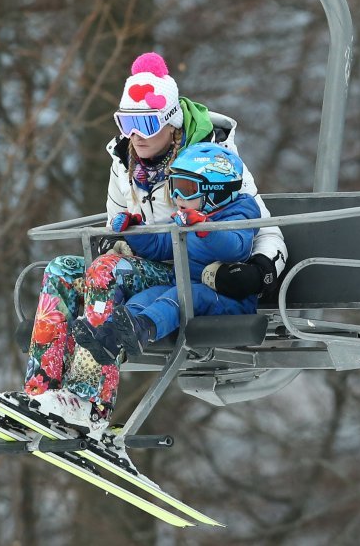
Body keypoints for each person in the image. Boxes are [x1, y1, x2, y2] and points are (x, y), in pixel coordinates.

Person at [15, 52, 287, 434]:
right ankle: (40, 393)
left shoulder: (215, 163)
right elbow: (115, 226)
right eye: (126, 123)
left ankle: (89, 401)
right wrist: (120, 236)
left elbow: (263, 224)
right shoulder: (124, 162)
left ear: (172, 124)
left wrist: (261, 272)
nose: (135, 135)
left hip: (184, 271)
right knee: (62, 268)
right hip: (148, 259)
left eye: (145, 123)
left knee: (106, 272)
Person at [73, 143, 261, 364]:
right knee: (149, 296)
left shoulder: (240, 213)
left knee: (181, 296)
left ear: (216, 191)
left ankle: (144, 328)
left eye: (187, 189)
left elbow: (235, 247)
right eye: (174, 187)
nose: (178, 197)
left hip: (228, 297)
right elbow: (161, 246)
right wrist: (136, 231)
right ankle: (110, 337)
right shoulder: (188, 216)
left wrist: (205, 228)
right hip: (184, 284)